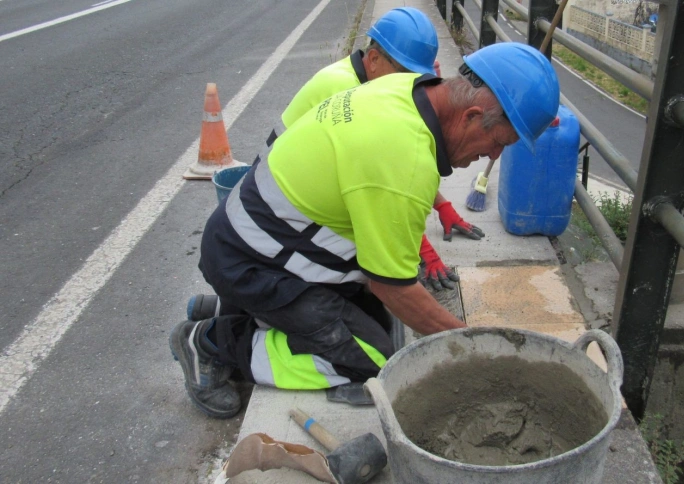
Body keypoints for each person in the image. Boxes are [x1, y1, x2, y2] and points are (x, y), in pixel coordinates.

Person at [170, 42, 560, 418]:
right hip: (252, 262)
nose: (493, 156)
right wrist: (471, 345)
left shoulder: (408, 88)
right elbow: (392, 286)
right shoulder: (403, 160)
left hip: (252, 239)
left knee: (380, 325)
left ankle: (237, 309)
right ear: (472, 115)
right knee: (374, 361)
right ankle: (210, 344)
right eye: (499, 142)